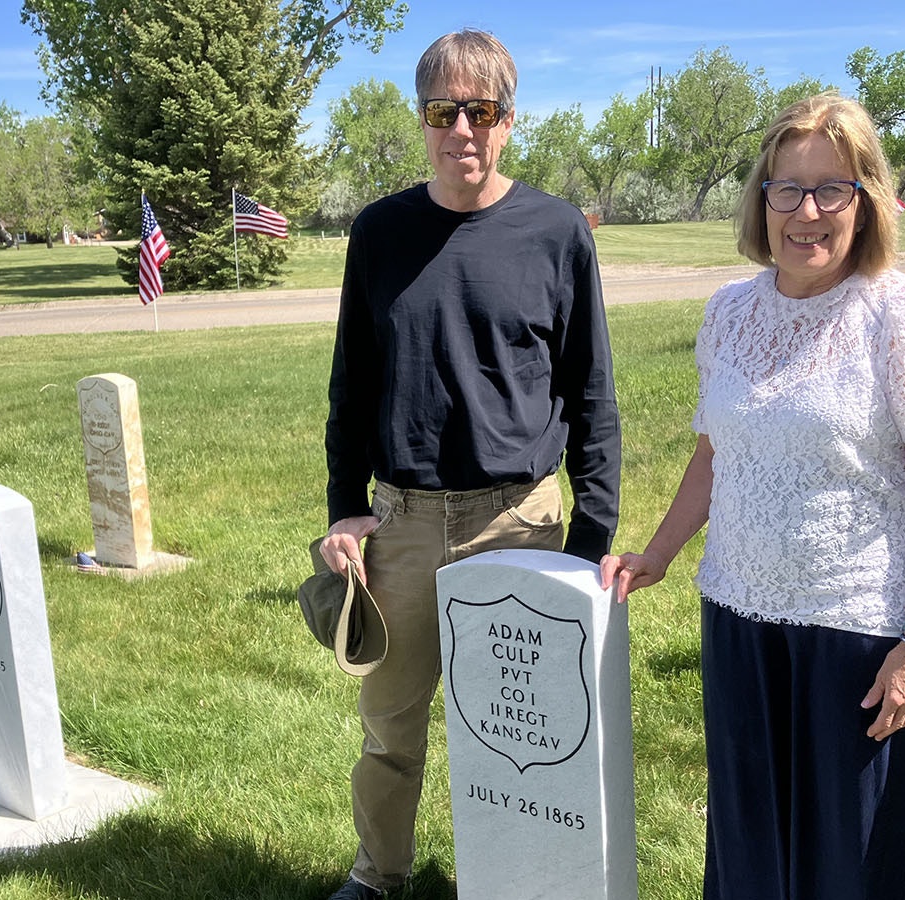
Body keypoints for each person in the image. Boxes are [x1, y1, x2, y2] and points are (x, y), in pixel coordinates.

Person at [599, 92, 905, 900]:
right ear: (761, 199)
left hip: (860, 638)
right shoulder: (730, 313)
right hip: (738, 619)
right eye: (787, 188)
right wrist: (659, 553)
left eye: (830, 189)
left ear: (867, 201)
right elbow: (714, 454)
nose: (806, 211)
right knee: (752, 852)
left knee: (855, 861)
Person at [318, 28, 621, 900]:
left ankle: (532, 879)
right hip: (403, 527)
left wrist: (591, 534)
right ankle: (379, 876)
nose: (462, 130)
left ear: (508, 121)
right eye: (442, 111)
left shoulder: (557, 232)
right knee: (390, 729)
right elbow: (352, 381)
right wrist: (345, 507)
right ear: (422, 120)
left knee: (533, 736)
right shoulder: (379, 233)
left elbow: (591, 390)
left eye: (479, 111)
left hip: (519, 521)